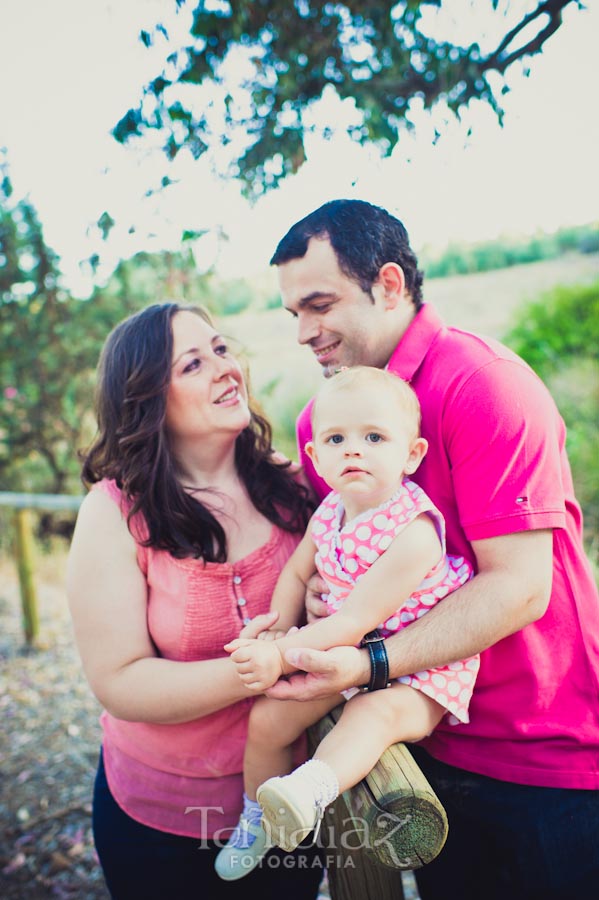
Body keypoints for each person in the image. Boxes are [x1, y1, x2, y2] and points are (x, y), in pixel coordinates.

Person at [263, 199, 599, 900]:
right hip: (419, 741)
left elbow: (518, 588)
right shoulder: (318, 421)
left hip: (545, 751)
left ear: (388, 284)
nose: (303, 332)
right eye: (291, 312)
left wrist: (368, 658)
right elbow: (331, 543)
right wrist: (323, 590)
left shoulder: (484, 385)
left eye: (318, 305)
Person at [65, 303, 326, 900]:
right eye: (193, 363)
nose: (224, 369)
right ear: (147, 400)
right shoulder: (114, 513)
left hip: (285, 803)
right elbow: (120, 682)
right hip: (160, 819)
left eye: (222, 350)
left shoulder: (290, 489)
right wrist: (265, 667)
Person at [214, 366, 476, 881]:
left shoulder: (415, 531)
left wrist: (279, 656)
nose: (353, 450)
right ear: (315, 455)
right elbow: (296, 572)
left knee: (374, 717)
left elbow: (356, 618)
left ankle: (307, 790)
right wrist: (276, 630)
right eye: (336, 439)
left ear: (412, 454)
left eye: (374, 437)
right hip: (345, 653)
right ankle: (256, 821)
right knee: (268, 719)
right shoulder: (331, 509)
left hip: (415, 664)